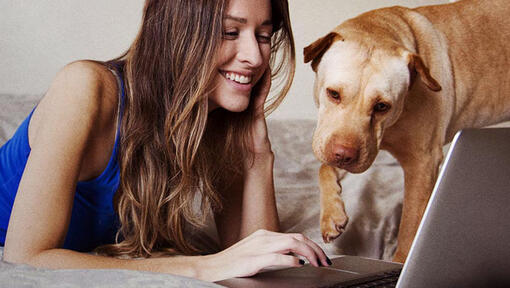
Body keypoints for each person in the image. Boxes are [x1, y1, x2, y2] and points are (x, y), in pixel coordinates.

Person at [0, 0, 332, 282]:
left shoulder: (214, 117)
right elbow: (26, 256)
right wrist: (203, 267)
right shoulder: (85, 87)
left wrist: (258, 151)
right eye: (230, 32)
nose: (256, 58)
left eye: (263, 36)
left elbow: (262, 257)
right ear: (176, 34)